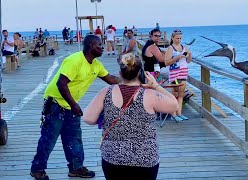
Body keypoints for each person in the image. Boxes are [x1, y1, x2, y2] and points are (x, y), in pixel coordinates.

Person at [30, 35, 120, 180]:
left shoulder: (96, 65)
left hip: (70, 106)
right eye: (99, 45)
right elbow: (61, 84)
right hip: (56, 103)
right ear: (91, 46)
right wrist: (74, 105)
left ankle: (76, 167)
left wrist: (131, 79)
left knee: (74, 138)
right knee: (49, 139)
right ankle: (37, 169)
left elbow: (110, 79)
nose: (102, 48)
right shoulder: (74, 60)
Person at [83, 53, 179, 180]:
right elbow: (174, 105)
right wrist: (155, 86)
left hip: (113, 157)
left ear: (120, 73)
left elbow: (88, 118)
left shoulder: (106, 92)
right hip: (145, 159)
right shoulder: (150, 95)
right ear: (141, 73)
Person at [165, 29, 192, 121]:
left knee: (181, 95)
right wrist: (177, 57)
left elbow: (188, 61)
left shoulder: (184, 47)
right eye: (177, 38)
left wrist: (189, 55)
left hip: (183, 73)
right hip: (174, 74)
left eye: (180, 38)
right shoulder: (170, 48)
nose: (179, 40)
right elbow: (166, 62)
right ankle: (174, 114)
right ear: (172, 38)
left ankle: (179, 113)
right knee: (175, 94)